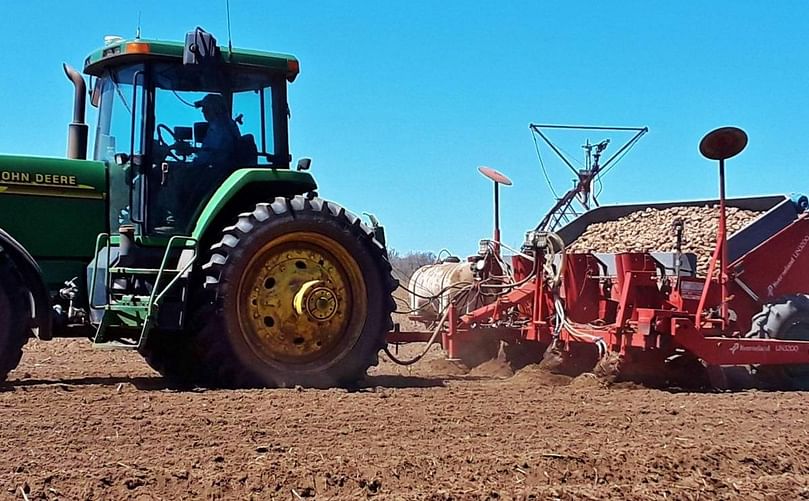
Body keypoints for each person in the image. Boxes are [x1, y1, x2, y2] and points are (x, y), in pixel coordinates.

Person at [192, 93, 241, 170]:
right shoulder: (228, 124)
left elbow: (209, 155)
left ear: (215, 109)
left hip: (218, 172)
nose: (203, 111)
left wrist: (194, 163)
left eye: (206, 108)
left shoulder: (219, 128)